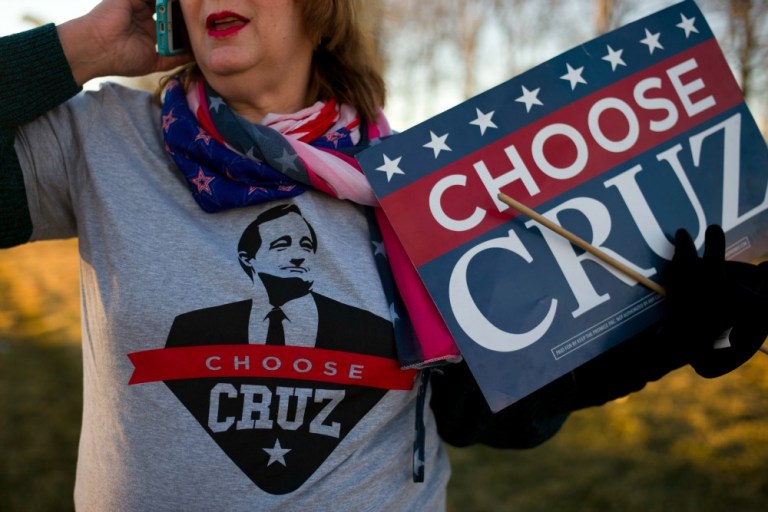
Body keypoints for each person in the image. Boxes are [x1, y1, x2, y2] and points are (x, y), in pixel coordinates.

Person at [1, 0, 766, 510]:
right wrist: (94, 42)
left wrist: (664, 337)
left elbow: (490, 409)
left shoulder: (425, 187)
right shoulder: (99, 141)